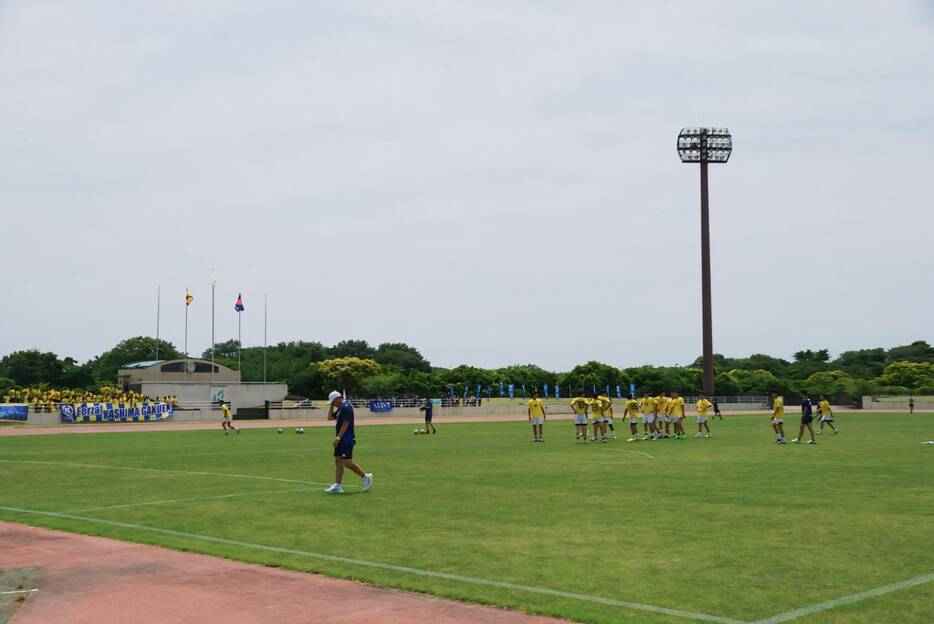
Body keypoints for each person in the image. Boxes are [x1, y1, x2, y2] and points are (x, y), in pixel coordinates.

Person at [325, 390, 373, 494]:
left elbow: (346, 424)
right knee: (338, 460)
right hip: (341, 438)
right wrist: (331, 405)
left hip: (346, 438)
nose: (333, 404)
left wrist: (338, 438)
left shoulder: (346, 407)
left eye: (333, 402)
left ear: (338, 399)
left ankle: (366, 477)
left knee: (347, 463)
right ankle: (338, 485)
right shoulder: (340, 408)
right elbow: (329, 418)